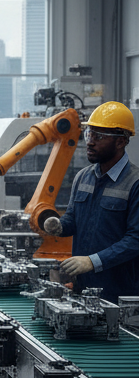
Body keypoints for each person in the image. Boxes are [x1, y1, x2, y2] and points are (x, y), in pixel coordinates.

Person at [43, 101, 139, 301]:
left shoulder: (134, 183)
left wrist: (93, 261)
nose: (89, 142)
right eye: (88, 134)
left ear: (121, 141)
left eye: (98, 136)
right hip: (83, 289)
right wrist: (59, 225)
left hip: (121, 294)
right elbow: (74, 219)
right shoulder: (83, 177)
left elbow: (135, 240)